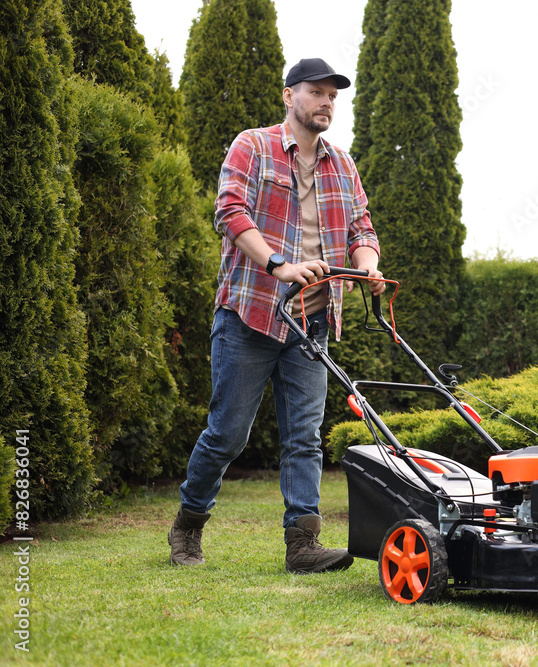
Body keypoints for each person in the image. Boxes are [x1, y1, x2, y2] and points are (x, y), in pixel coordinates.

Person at [168, 58, 384, 573]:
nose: (326, 101)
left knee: (304, 437)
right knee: (227, 434)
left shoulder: (342, 165)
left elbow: (362, 229)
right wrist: (279, 264)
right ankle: (187, 528)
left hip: (311, 325)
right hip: (252, 315)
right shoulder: (253, 145)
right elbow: (230, 212)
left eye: (333, 94)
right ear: (289, 96)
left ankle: (302, 545)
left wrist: (368, 267)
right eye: (316, 92)